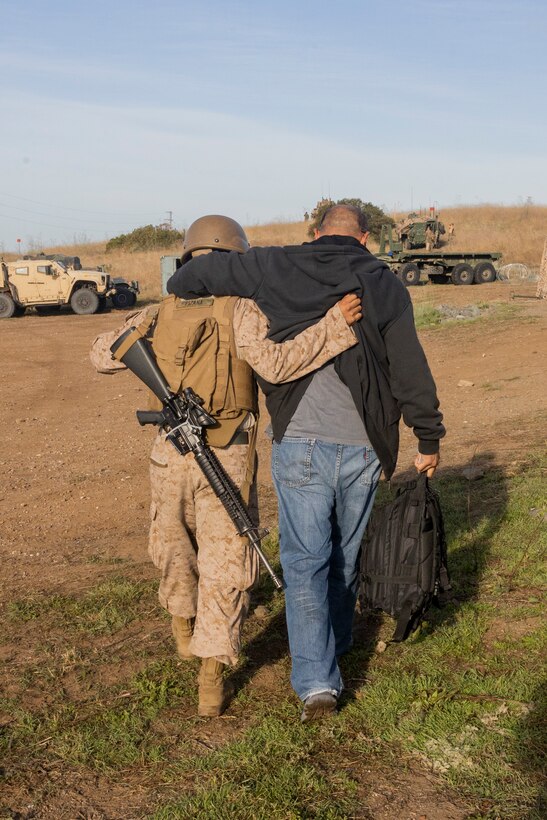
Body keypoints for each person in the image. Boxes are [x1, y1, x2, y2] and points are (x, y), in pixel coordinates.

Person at [167, 203, 445, 723]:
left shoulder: (273, 264)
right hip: (365, 445)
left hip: (301, 444)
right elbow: (410, 367)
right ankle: (335, 645)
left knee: (305, 560)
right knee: (345, 552)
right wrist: (427, 436)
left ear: (315, 234)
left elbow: (196, 276)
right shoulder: (382, 283)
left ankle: (317, 683)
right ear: (364, 239)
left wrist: (184, 283)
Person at [91, 214, 362, 717]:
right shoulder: (242, 310)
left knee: (172, 542)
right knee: (225, 561)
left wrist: (133, 347)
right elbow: (278, 366)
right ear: (238, 259)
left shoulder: (160, 310)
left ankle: (184, 627)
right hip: (227, 453)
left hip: (168, 453)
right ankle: (210, 671)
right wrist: (334, 327)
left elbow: (102, 355)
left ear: (189, 257)